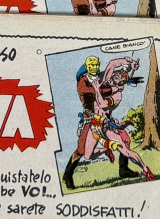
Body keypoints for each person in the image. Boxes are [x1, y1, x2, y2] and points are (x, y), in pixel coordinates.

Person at [63, 56, 153, 188]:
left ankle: (131, 169)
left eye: (119, 79)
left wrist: (98, 88)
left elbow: (103, 103)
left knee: (125, 141)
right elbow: (112, 64)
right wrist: (129, 62)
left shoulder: (116, 93)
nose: (116, 77)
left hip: (105, 124)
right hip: (91, 120)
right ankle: (68, 174)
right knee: (85, 152)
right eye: (116, 75)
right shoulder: (96, 81)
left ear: (121, 84)